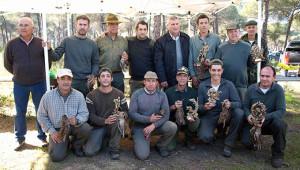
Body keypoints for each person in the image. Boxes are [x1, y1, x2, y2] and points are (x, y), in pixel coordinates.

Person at [4, 17, 53, 151]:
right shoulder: (11, 44)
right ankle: (19, 139)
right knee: (20, 112)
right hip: (20, 84)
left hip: (39, 83)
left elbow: (48, 62)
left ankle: (42, 137)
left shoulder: (40, 43)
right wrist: (18, 73)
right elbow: (7, 64)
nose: (23, 28)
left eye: (26, 25)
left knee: (40, 111)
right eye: (20, 25)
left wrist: (48, 50)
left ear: (33, 28)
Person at [37, 69, 91, 162]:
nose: (66, 82)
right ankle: (64, 144)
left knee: (86, 128)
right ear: (57, 80)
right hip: (57, 129)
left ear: (71, 81)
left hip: (74, 127)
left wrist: (77, 120)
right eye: (62, 78)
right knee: (56, 157)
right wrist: (52, 131)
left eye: (68, 79)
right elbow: (41, 116)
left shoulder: (79, 95)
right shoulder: (48, 96)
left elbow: (84, 113)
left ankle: (76, 146)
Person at [241, 66, 287, 168]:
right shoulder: (251, 89)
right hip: (253, 123)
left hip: (270, 123)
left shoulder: (278, 90)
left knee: (280, 124)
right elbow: (245, 107)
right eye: (262, 76)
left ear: (274, 77)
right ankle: (254, 141)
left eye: (268, 76)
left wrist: (265, 117)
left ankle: (277, 155)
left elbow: (282, 111)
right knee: (245, 142)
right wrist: (248, 115)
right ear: (259, 76)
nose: (264, 79)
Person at [197, 59, 243, 157]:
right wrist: (205, 107)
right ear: (209, 70)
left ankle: (228, 144)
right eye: (213, 70)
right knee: (204, 137)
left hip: (226, 114)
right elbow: (198, 107)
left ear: (222, 71)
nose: (216, 73)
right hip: (210, 115)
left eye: (218, 70)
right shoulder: (203, 85)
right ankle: (214, 134)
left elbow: (238, 103)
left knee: (239, 113)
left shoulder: (229, 85)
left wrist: (230, 104)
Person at [46, 15, 99, 97]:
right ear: (76, 26)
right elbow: (56, 57)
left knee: (86, 107)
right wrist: (49, 49)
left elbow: (95, 62)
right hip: (70, 81)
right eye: (80, 24)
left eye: (85, 25)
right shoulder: (67, 41)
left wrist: (93, 75)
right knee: (69, 106)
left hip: (86, 83)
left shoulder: (92, 44)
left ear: (88, 27)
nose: (82, 27)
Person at [129, 71, 177, 160]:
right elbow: (131, 114)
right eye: (148, 81)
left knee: (172, 126)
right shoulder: (136, 94)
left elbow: (166, 115)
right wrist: (148, 119)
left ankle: (160, 146)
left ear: (157, 82)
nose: (151, 83)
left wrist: (153, 125)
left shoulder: (162, 95)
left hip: (156, 126)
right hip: (140, 127)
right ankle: (138, 138)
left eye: (153, 81)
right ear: (144, 82)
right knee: (142, 156)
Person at [84, 68, 128, 160]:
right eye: (103, 76)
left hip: (113, 125)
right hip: (98, 126)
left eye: (108, 76)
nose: (105, 79)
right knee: (89, 152)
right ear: (99, 79)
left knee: (117, 119)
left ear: (112, 79)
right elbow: (90, 116)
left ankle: (114, 149)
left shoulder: (119, 94)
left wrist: (123, 114)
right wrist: (105, 121)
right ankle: (104, 140)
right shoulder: (91, 95)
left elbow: (126, 111)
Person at [214, 23, 255, 103]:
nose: (233, 34)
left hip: (241, 84)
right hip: (225, 85)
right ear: (227, 34)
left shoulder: (247, 47)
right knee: (224, 109)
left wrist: (255, 61)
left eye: (235, 31)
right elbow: (216, 65)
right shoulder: (221, 48)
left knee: (241, 108)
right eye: (230, 32)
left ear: (239, 32)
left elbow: (251, 64)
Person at [165, 66, 200, 151]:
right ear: (177, 78)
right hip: (173, 122)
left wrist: (193, 116)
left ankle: (189, 139)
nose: (182, 78)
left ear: (188, 78)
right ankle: (171, 137)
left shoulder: (193, 92)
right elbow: (163, 111)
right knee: (169, 148)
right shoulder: (168, 92)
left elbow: (195, 109)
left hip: (187, 119)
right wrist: (173, 107)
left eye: (185, 76)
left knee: (196, 121)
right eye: (180, 76)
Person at [95, 14, 128, 92]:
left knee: (118, 100)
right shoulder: (99, 40)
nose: (114, 26)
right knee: (103, 101)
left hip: (118, 75)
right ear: (106, 25)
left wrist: (126, 59)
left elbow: (127, 61)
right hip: (103, 75)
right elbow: (93, 59)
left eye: (116, 24)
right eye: (111, 24)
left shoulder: (123, 41)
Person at [154, 16, 190, 89]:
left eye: (177, 24)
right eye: (172, 24)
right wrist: (162, 79)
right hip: (169, 80)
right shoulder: (160, 41)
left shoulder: (186, 38)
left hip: (184, 78)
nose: (175, 26)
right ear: (167, 26)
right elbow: (158, 62)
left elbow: (190, 57)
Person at [188, 14, 221, 88]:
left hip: (211, 76)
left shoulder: (216, 39)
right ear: (197, 25)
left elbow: (219, 58)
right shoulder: (192, 40)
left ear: (209, 24)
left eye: (206, 23)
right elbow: (190, 59)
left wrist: (211, 63)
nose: (204, 25)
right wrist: (193, 75)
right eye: (201, 23)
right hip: (197, 77)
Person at [126, 21, 156, 96]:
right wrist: (106, 33)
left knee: (150, 105)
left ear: (147, 31)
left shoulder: (152, 44)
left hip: (149, 81)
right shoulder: (130, 41)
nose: (142, 32)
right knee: (135, 105)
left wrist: (156, 80)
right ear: (136, 30)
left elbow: (157, 63)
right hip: (135, 81)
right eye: (140, 29)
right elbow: (117, 39)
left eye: (144, 29)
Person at [241, 20, 269, 86]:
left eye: (253, 27)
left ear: (257, 28)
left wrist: (266, 73)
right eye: (249, 27)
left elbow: (265, 59)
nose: (251, 29)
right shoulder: (241, 41)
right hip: (244, 75)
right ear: (246, 29)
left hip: (257, 75)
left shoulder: (262, 41)